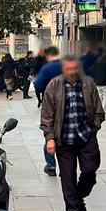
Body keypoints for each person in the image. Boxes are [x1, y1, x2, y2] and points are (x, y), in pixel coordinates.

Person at [40, 54, 104, 211]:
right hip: (64, 139)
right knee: (67, 176)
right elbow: (46, 117)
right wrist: (50, 138)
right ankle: (73, 210)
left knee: (90, 170)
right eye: (69, 69)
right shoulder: (54, 86)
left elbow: (98, 111)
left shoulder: (88, 84)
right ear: (63, 69)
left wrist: (94, 129)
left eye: (75, 68)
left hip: (86, 136)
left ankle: (78, 196)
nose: (72, 72)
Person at [34, 46, 62, 176]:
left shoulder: (47, 68)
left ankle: (51, 165)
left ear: (48, 56)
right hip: (70, 103)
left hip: (52, 104)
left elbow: (38, 85)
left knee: (50, 132)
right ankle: (67, 163)